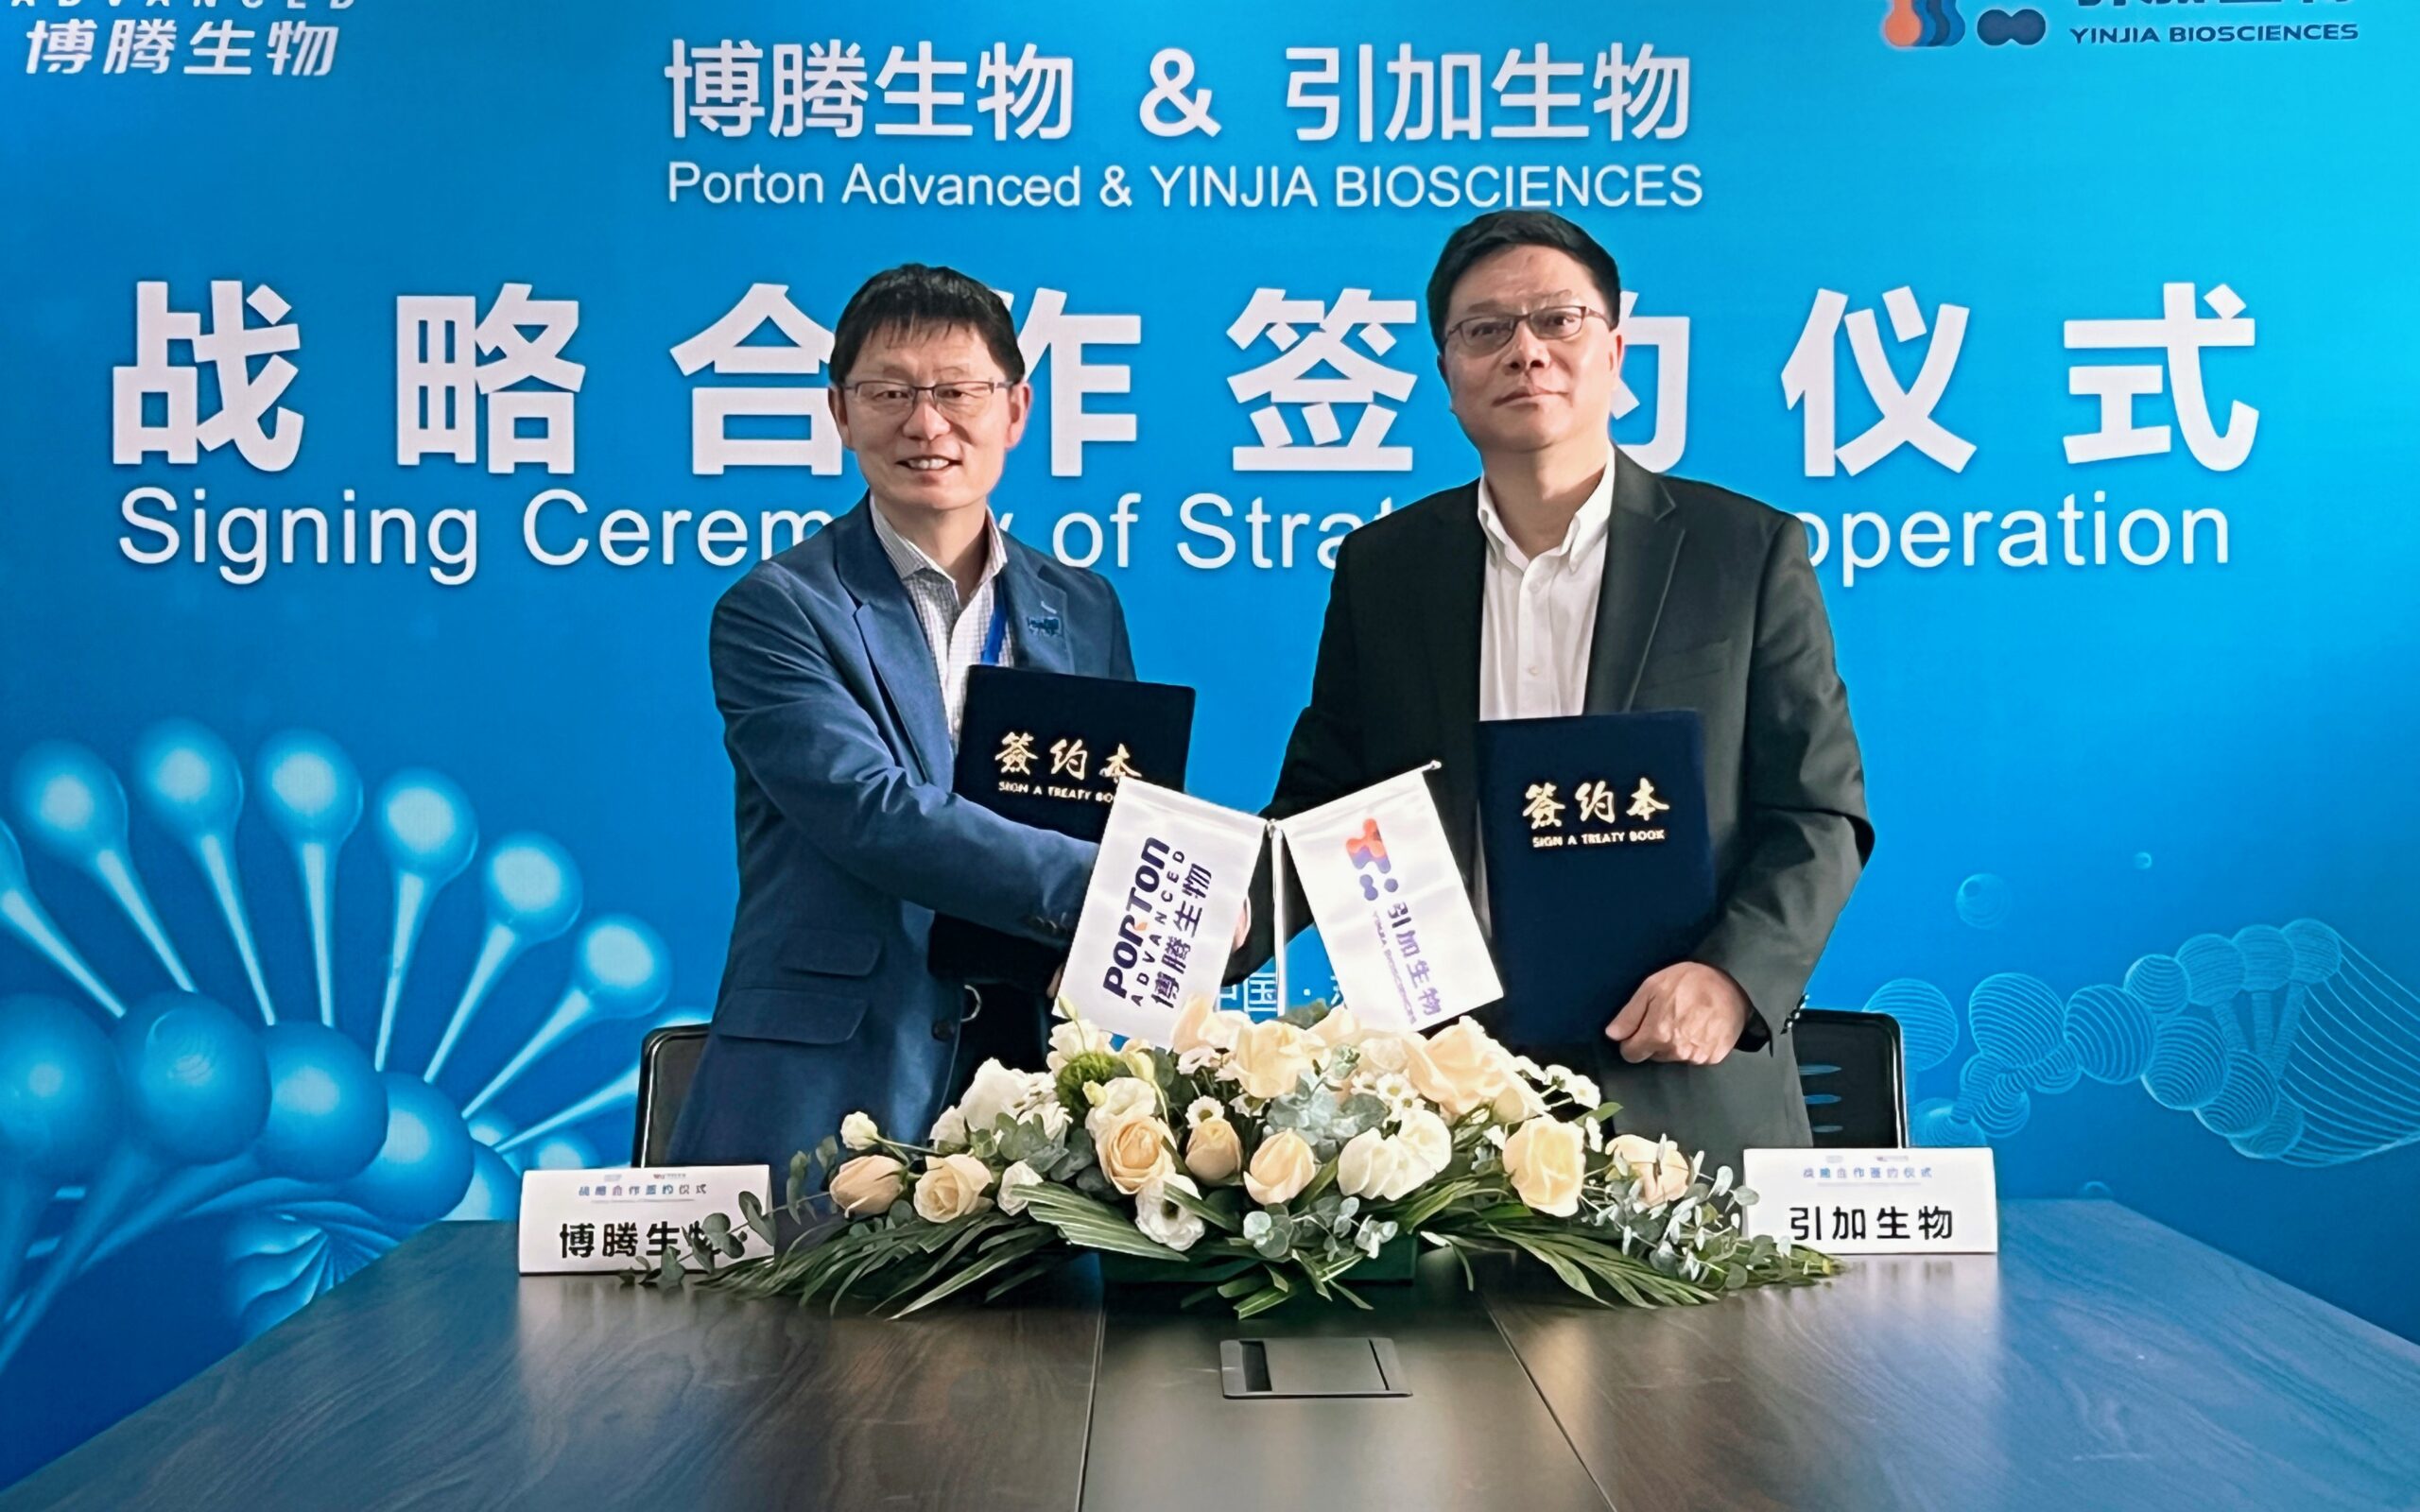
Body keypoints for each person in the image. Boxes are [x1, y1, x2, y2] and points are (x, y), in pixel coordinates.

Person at [1238, 211, 1874, 1170]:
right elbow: (1330, 801)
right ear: (1447, 378)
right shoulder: (1386, 569)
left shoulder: (1740, 553)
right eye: (1484, 330)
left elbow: (1818, 811)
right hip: (1446, 1105)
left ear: (1616, 352)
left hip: (1681, 1098)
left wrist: (1730, 977)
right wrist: (1211, 922)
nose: (1524, 351)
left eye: (1558, 320)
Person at [667, 263, 1133, 1174]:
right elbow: (872, 812)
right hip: (830, 1087)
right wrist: (1121, 879)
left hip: (1033, 1084)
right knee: (798, 1326)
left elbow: (1112, 801)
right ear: (841, 412)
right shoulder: (778, 609)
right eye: (890, 392)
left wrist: (1161, 877)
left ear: (1016, 409)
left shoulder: (1083, 609)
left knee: (1049, 1325)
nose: (927, 424)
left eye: (959, 391)